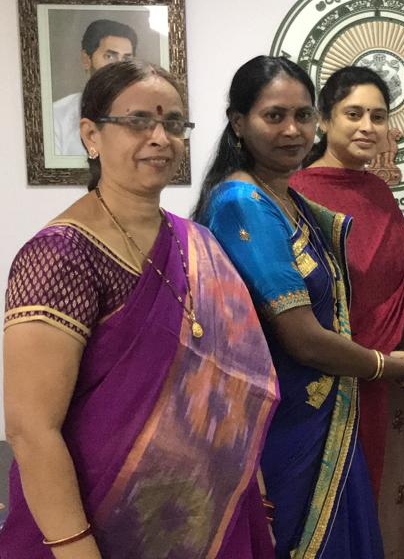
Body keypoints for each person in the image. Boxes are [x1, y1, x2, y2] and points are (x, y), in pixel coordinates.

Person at [2, 60, 277, 558]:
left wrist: (255, 500)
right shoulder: (61, 255)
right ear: (91, 135)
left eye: (173, 123)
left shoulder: (201, 244)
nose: (160, 138)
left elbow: (240, 389)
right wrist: (76, 549)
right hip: (94, 521)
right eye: (137, 122)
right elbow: (30, 428)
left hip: (205, 516)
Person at [193, 56, 404, 558]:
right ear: (239, 122)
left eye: (302, 115)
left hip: (328, 405)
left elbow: (358, 285)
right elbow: (302, 338)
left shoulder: (288, 200)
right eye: (274, 116)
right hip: (288, 417)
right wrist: (398, 369)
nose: (293, 130)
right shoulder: (243, 203)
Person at [288, 66, 404, 556]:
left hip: (391, 378)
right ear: (324, 120)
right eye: (353, 114)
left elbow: (379, 274)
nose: (367, 127)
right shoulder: (296, 191)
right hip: (330, 380)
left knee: (387, 504)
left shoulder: (378, 192)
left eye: (378, 117)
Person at [53, 20, 137, 156]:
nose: (119, 67)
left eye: (126, 60)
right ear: (86, 60)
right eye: (110, 56)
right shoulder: (57, 116)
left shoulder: (148, 117)